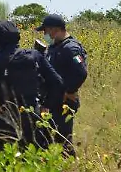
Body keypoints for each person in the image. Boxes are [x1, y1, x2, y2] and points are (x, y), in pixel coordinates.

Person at [0, 20, 64, 167]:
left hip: (5, 118)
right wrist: (46, 105)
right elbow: (57, 82)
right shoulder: (34, 55)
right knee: (34, 162)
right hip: (33, 114)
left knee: (3, 164)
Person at [36, 13, 88, 157]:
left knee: (62, 140)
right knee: (48, 138)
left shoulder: (71, 48)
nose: (45, 34)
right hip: (52, 101)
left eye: (46, 31)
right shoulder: (54, 47)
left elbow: (81, 73)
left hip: (64, 103)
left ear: (54, 29)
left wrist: (68, 91)